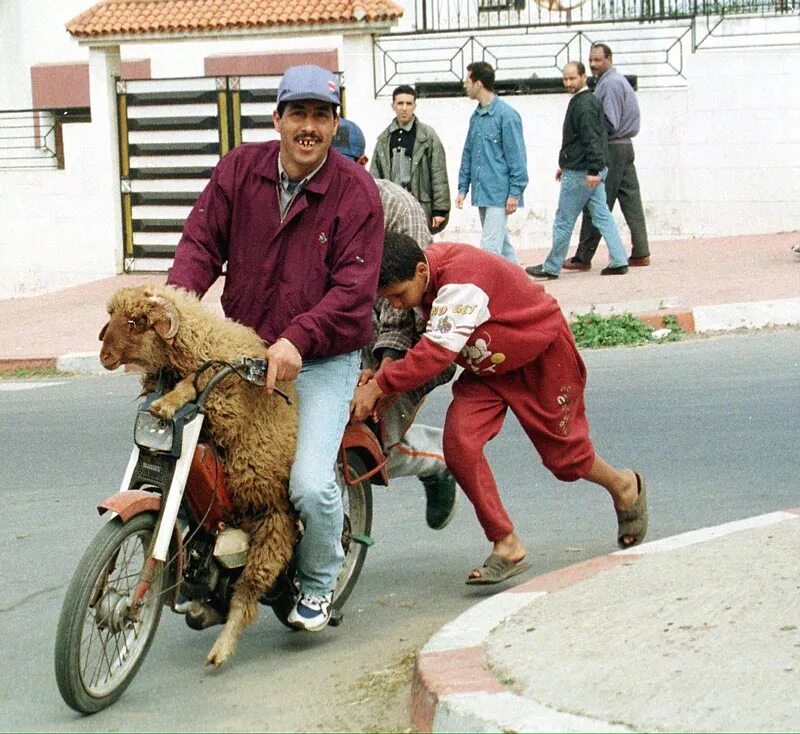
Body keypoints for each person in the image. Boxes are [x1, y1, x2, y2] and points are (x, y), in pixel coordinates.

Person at [167, 65, 384, 633]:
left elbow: (353, 291)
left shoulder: (355, 192)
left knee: (309, 484)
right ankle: (216, 572)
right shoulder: (240, 170)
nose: (308, 127)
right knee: (203, 456)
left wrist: (298, 338)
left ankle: (317, 585)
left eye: (321, 115)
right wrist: (172, 314)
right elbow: (199, 244)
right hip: (246, 348)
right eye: (298, 114)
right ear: (278, 119)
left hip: (322, 358)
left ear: (335, 123)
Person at [351, 232, 648, 584]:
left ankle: (624, 486)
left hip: (541, 359)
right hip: (488, 369)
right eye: (389, 299)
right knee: (459, 443)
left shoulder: (460, 280)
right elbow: (419, 339)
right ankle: (506, 543)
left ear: (420, 270)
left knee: (566, 460)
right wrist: (381, 369)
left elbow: (435, 354)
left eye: (399, 296)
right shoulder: (422, 279)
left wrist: (381, 385)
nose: (396, 305)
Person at [333, 118, 457, 530]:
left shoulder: (397, 208)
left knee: (369, 438)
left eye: (343, 164)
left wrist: (384, 376)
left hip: (405, 343)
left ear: (363, 162)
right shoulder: (312, 210)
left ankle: (438, 461)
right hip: (343, 343)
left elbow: (407, 301)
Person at [526, 62, 629, 280]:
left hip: (582, 172)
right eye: (565, 79)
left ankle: (552, 266)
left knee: (564, 219)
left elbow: (591, 139)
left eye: (572, 78)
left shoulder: (583, 104)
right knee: (602, 216)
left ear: (584, 77)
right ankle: (619, 260)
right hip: (587, 169)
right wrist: (569, 165)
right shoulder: (587, 101)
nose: (568, 83)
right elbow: (587, 140)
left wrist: (590, 169)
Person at [565, 43, 651, 270]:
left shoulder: (610, 85)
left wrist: (588, 138)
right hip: (625, 147)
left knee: (596, 203)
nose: (593, 64)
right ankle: (641, 251)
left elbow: (608, 122)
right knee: (631, 201)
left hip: (612, 148)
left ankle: (583, 257)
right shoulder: (616, 80)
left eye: (598, 60)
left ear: (609, 59)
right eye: (591, 60)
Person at [455, 61, 528, 264]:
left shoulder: (507, 115)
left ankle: (491, 292)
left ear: (478, 83)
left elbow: (517, 157)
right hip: (483, 192)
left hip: (499, 193)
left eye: (467, 80)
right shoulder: (476, 117)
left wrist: (515, 192)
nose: (464, 85)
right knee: (502, 248)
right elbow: (468, 152)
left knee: (490, 249)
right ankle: (522, 290)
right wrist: (463, 188)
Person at [370, 85, 451, 234]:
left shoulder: (427, 136)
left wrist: (440, 209)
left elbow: (439, 173)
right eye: (400, 103)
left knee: (421, 248)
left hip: (420, 204)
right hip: (393, 206)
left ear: (415, 106)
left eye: (409, 103)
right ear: (393, 106)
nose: (404, 108)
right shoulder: (383, 139)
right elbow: (375, 177)